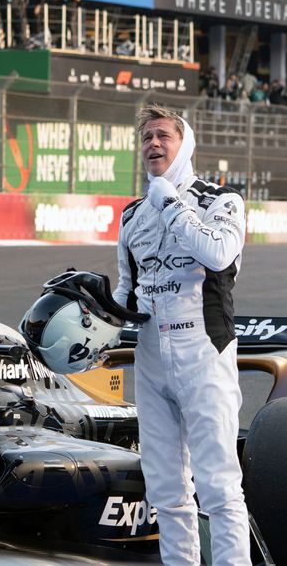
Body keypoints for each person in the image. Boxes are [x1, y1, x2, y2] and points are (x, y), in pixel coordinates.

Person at [114, 105, 249, 565]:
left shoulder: (222, 200)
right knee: (166, 490)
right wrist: (93, 312)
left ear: (184, 143)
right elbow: (126, 293)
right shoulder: (131, 217)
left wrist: (170, 202)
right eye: (146, 137)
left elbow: (219, 253)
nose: (153, 144)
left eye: (163, 136)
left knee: (219, 487)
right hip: (150, 356)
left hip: (204, 352)